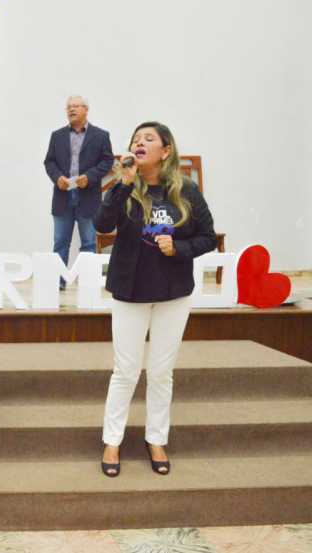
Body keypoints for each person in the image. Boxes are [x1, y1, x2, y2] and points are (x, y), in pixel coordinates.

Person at [94, 122, 216, 477]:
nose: (140, 143)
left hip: (172, 293)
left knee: (162, 372)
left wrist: (179, 248)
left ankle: (156, 439)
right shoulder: (124, 187)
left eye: (149, 139)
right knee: (126, 371)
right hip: (131, 291)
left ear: (166, 151)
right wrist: (123, 183)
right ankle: (112, 441)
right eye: (136, 139)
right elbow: (102, 225)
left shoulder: (186, 190)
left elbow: (208, 237)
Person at [44, 95, 114, 288]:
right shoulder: (57, 136)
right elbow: (49, 162)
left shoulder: (101, 135)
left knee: (89, 242)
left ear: (86, 110)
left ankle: (88, 283)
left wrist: (89, 177)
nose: (71, 109)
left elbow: (107, 161)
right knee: (60, 242)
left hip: (88, 196)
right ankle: (58, 282)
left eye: (75, 106)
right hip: (63, 196)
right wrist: (58, 178)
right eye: (68, 107)